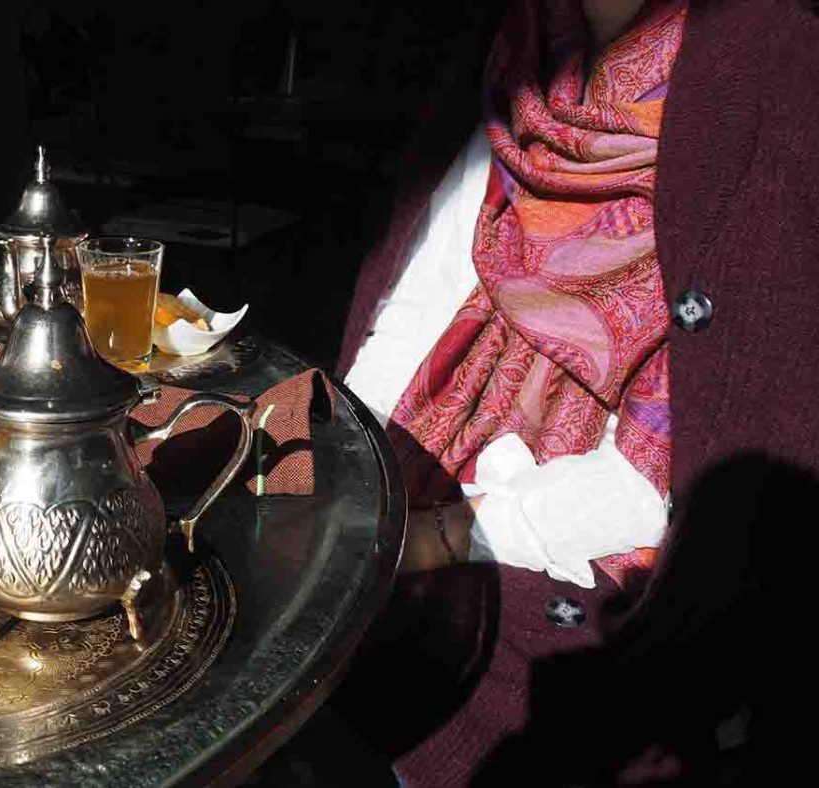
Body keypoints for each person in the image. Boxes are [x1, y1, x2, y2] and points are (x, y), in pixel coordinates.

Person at [329, 0, 819, 784]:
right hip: (441, 455)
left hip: (611, 540)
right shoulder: (527, 36)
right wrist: (346, 467)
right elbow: (425, 286)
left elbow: (704, 454)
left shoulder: (771, 71)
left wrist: (443, 536)